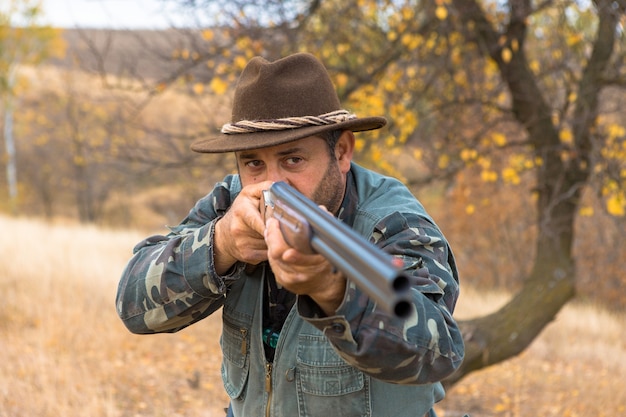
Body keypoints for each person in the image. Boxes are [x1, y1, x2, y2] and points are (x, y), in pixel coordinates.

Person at [115, 52, 465, 417]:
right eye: (254, 163)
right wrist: (220, 246)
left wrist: (335, 290)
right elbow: (133, 305)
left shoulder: (392, 221)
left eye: (292, 159)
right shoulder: (230, 204)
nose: (272, 185)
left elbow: (436, 351)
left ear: (342, 151)